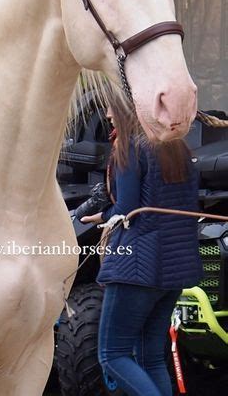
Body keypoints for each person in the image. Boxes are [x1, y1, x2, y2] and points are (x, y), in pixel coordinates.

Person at [79, 109, 203, 396]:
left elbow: (126, 210)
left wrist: (98, 216)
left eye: (112, 107)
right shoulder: (179, 147)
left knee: (112, 355)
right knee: (151, 358)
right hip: (174, 269)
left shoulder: (128, 146)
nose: (108, 114)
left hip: (136, 266)